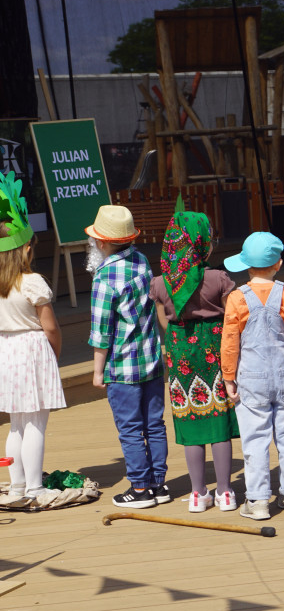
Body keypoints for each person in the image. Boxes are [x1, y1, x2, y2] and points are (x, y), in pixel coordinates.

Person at [150, 209, 239, 513]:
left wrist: (175, 329)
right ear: (203, 244)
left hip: (180, 355)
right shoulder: (218, 279)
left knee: (191, 419)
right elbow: (233, 315)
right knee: (219, 421)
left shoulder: (161, 284)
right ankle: (225, 491)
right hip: (213, 350)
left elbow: (162, 316)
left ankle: (197, 493)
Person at [221, 232, 284, 521]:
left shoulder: (237, 298)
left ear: (246, 267)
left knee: (255, 440)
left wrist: (228, 376)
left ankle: (259, 500)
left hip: (251, 377)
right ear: (279, 264)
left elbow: (230, 341)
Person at [87, 205, 169, 509]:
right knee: (154, 425)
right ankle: (159, 484)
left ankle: (139, 488)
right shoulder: (142, 260)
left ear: (101, 242)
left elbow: (100, 332)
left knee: (131, 429)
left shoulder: (104, 277)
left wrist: (98, 372)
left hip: (122, 366)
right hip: (151, 359)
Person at [0, 191, 64, 503]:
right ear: (25, 248)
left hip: (6, 350)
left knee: (16, 425)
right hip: (32, 350)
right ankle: (35, 488)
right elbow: (50, 326)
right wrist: (55, 353)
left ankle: (16, 487)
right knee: (36, 422)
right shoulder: (31, 281)